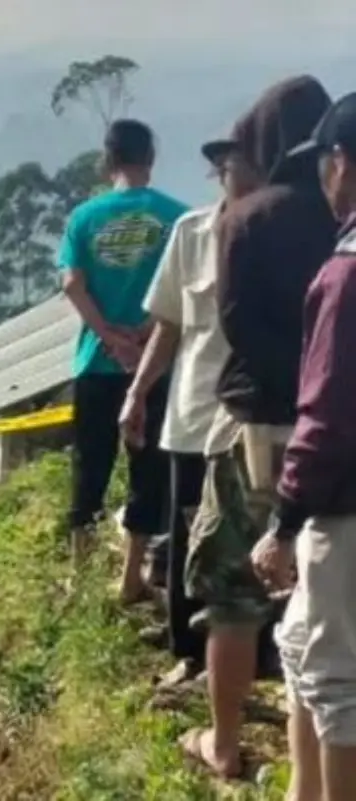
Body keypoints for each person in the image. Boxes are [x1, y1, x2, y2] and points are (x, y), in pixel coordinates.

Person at [180, 74, 335, 780]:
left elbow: (236, 324)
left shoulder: (249, 219)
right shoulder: (344, 218)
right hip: (339, 438)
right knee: (323, 602)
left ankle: (225, 740)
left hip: (260, 436)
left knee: (235, 594)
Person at [119, 140, 263, 685]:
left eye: (250, 165)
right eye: (230, 167)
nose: (240, 177)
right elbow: (169, 325)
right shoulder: (191, 234)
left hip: (249, 422)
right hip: (193, 413)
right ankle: (188, 652)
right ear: (219, 174)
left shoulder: (275, 236)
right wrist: (137, 393)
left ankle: (245, 661)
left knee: (245, 544)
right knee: (187, 538)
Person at [249, 91, 356, 801]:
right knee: (297, 644)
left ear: (342, 164)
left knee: (337, 681)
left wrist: (282, 523)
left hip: (345, 512)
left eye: (323, 162)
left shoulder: (345, 273)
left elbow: (325, 417)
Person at [57, 118, 188, 603]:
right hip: (156, 361)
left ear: (108, 159)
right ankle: (130, 580)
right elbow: (181, 291)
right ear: (149, 159)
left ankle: (80, 579)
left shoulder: (83, 218)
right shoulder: (178, 216)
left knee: (89, 468)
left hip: (95, 363)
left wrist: (108, 334)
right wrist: (146, 333)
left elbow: (72, 283)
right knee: (147, 471)